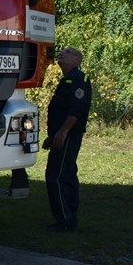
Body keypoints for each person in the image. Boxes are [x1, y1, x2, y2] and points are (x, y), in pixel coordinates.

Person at [41, 47, 92, 231]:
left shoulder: (79, 79)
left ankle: (65, 220)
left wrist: (62, 132)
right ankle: (70, 217)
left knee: (56, 177)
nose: (62, 53)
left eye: (67, 52)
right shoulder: (67, 79)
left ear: (77, 60)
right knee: (67, 174)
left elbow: (76, 111)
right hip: (60, 136)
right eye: (62, 51)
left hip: (68, 136)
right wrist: (53, 135)